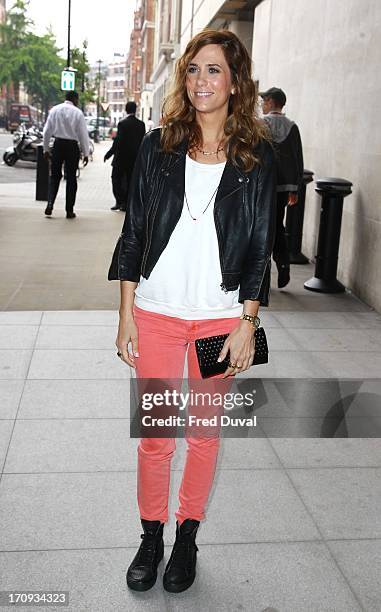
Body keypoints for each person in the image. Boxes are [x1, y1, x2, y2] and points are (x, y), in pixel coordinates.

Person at [108, 29, 276, 593]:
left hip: (218, 318)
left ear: (235, 83)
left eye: (213, 71)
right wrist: (126, 312)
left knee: (203, 437)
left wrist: (247, 323)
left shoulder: (256, 157)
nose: (201, 81)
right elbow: (133, 233)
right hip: (155, 311)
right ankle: (151, 536)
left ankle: (186, 538)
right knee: (156, 434)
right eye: (193, 70)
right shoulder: (158, 148)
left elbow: (259, 249)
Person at [260, 87, 304, 288]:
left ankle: (264, 271)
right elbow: (297, 158)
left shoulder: (260, 125)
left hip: (263, 186)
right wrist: (295, 189)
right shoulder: (292, 127)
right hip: (283, 187)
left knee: (262, 227)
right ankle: (283, 263)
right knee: (277, 224)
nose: (262, 104)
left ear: (270, 101)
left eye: (264, 101)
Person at [43, 90, 90, 219]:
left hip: (58, 145)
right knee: (71, 179)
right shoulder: (78, 113)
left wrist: (46, 149)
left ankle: (50, 204)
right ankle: (69, 210)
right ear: (75, 99)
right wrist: (86, 153)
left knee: (55, 176)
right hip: (71, 147)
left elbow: (47, 131)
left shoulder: (55, 110)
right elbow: (83, 135)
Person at [104, 101, 146, 211]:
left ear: (126, 110)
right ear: (135, 110)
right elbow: (143, 142)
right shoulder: (141, 124)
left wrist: (109, 154)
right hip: (135, 158)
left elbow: (118, 141)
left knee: (116, 178)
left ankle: (120, 201)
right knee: (131, 180)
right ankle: (127, 203)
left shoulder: (123, 123)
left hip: (121, 158)